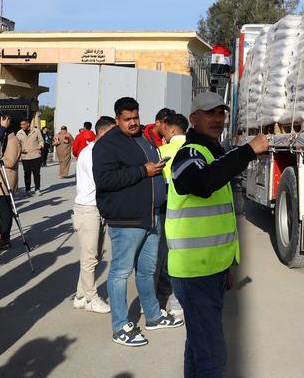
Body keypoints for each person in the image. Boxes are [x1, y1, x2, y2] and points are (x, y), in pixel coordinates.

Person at [167, 91, 268, 377]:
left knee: (198, 348)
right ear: (193, 118)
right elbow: (202, 183)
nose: (217, 119)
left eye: (221, 113)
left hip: (210, 270)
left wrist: (224, 270)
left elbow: (217, 216)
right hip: (193, 273)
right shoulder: (188, 154)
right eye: (210, 113)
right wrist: (248, 150)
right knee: (212, 356)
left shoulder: (212, 153)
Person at [93, 97, 183, 347]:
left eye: (136, 117)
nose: (133, 123)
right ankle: (120, 325)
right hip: (126, 220)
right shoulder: (107, 145)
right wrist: (143, 171)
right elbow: (105, 180)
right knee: (120, 272)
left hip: (150, 216)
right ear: (117, 118)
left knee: (148, 271)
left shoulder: (143, 138)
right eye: (127, 119)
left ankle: (153, 316)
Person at [72, 116, 114, 314]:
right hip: (88, 209)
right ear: (102, 133)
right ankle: (91, 297)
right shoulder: (92, 153)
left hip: (95, 208)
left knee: (93, 255)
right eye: (112, 132)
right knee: (89, 257)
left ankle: (81, 295)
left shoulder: (96, 151)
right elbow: (103, 181)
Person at [155, 112, 189, 315]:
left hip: (166, 213)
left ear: (173, 129)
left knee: (163, 258)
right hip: (190, 215)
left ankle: (158, 299)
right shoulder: (194, 149)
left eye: (166, 129)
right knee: (183, 259)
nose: (164, 133)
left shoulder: (162, 151)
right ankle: (178, 303)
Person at [0, 119, 21, 250]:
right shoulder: (3, 140)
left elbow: (10, 161)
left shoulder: (13, 140)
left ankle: (5, 237)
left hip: (6, 179)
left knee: (5, 211)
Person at [16, 118, 44, 196]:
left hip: (36, 155)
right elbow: (17, 145)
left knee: (36, 173)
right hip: (25, 156)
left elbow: (41, 140)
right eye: (21, 125)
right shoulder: (19, 133)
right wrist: (21, 150)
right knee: (27, 173)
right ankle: (27, 190)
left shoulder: (36, 131)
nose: (22, 126)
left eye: (23, 124)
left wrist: (41, 146)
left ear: (28, 124)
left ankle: (37, 189)